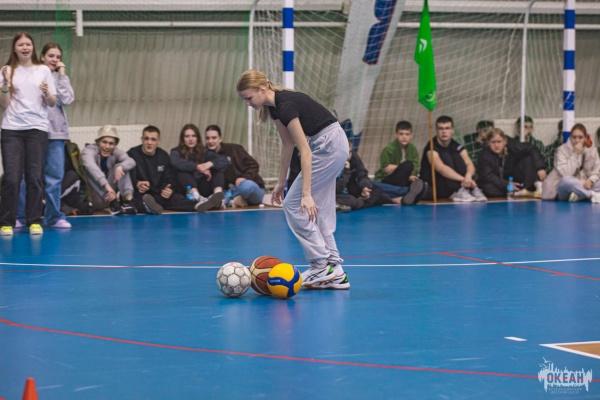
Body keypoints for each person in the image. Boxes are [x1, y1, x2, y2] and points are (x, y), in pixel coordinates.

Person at [237, 69, 349, 290]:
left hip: (329, 146)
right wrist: (281, 182)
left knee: (294, 205)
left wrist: (306, 194)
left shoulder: (286, 106)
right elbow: (288, 144)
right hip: (332, 145)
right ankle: (335, 271)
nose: (248, 104)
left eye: (249, 98)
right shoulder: (275, 108)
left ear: (262, 89)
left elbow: (304, 151)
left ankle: (320, 265)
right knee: (318, 211)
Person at [0, 32, 57, 236]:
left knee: (34, 177)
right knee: (12, 178)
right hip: (12, 130)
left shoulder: (43, 70)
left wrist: (46, 93)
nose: (25, 48)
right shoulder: (7, 70)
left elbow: (52, 102)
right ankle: (6, 222)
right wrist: (5, 85)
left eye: (28, 44)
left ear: (33, 47)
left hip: (37, 129)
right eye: (20, 45)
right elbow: (4, 104)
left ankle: (34, 221)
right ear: (14, 49)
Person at [14, 42, 75, 229]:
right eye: (51, 56)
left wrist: (62, 76)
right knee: (27, 177)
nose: (54, 59)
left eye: (58, 57)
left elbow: (66, 99)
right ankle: (22, 216)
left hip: (55, 135)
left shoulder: (60, 78)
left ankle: (53, 217)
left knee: (54, 178)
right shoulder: (33, 75)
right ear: (42, 57)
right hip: (33, 133)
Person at [127, 125, 223, 214]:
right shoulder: (132, 154)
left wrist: (168, 189)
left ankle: (198, 205)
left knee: (176, 198)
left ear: (158, 141)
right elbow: (128, 177)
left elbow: (169, 179)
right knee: (135, 200)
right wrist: (137, 183)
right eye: (146, 139)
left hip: (159, 194)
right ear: (142, 139)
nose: (149, 142)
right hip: (141, 194)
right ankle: (148, 207)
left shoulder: (163, 156)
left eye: (153, 139)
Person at [420, 115, 487, 202]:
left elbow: (469, 163)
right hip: (435, 185)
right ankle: (459, 190)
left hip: (454, 181)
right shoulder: (431, 147)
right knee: (446, 156)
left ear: (452, 130)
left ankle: (470, 189)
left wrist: (468, 176)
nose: (444, 132)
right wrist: (464, 180)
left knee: (458, 157)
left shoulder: (456, 145)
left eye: (447, 128)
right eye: (441, 128)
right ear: (436, 131)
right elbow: (441, 168)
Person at [204, 124, 265, 207]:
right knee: (217, 194)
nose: (210, 141)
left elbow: (254, 165)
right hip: (229, 190)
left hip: (248, 188)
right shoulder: (205, 155)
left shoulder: (234, 149)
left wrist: (244, 177)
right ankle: (235, 200)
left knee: (246, 186)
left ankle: (229, 200)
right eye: (207, 138)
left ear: (220, 138)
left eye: (214, 138)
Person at [81, 125, 137, 215]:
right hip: (93, 197)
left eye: (111, 143)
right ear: (98, 142)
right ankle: (113, 202)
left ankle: (129, 202)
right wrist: (107, 186)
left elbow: (131, 161)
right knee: (87, 169)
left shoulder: (115, 152)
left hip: (110, 196)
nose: (107, 146)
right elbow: (89, 164)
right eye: (104, 142)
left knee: (121, 166)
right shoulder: (88, 150)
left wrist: (121, 167)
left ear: (115, 145)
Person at [476, 128, 547, 198]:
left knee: (527, 158)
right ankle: (518, 192)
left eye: (499, 142)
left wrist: (540, 168)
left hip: (513, 177)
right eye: (493, 142)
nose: (496, 145)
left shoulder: (512, 145)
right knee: (488, 189)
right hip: (498, 183)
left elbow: (532, 148)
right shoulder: (484, 155)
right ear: (488, 143)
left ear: (504, 142)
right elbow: (488, 176)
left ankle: (536, 186)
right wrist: (507, 184)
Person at [372, 120, 427, 205]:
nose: (404, 137)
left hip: (405, 179)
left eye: (407, 134)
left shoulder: (413, 149)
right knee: (408, 165)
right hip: (387, 180)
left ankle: (404, 196)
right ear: (396, 135)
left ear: (411, 135)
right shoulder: (388, 149)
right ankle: (407, 192)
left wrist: (396, 167)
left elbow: (415, 166)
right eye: (401, 134)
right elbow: (386, 170)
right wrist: (400, 168)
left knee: (420, 182)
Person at [542, 123, 600, 202]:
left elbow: (597, 171)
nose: (577, 140)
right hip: (566, 187)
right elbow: (566, 174)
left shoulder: (592, 150)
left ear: (585, 138)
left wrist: (591, 181)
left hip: (585, 184)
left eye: (580, 137)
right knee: (565, 181)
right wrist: (574, 154)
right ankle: (591, 195)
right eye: (574, 137)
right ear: (570, 137)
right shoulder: (561, 150)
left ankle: (580, 195)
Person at [170, 123, 227, 203]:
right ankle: (196, 197)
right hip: (185, 189)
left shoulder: (204, 151)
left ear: (197, 138)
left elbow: (223, 160)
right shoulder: (176, 151)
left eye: (193, 136)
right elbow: (175, 162)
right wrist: (197, 167)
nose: (190, 139)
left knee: (217, 168)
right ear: (183, 139)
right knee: (182, 171)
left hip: (202, 187)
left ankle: (218, 197)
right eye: (187, 136)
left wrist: (209, 164)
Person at [337, 139, 396, 211]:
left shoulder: (353, 157)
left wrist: (365, 187)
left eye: (350, 152)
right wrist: (346, 171)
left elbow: (362, 173)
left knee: (377, 190)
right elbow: (338, 189)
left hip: (351, 189)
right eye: (346, 152)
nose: (348, 156)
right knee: (352, 200)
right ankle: (360, 203)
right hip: (337, 194)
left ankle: (360, 203)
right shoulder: (332, 163)